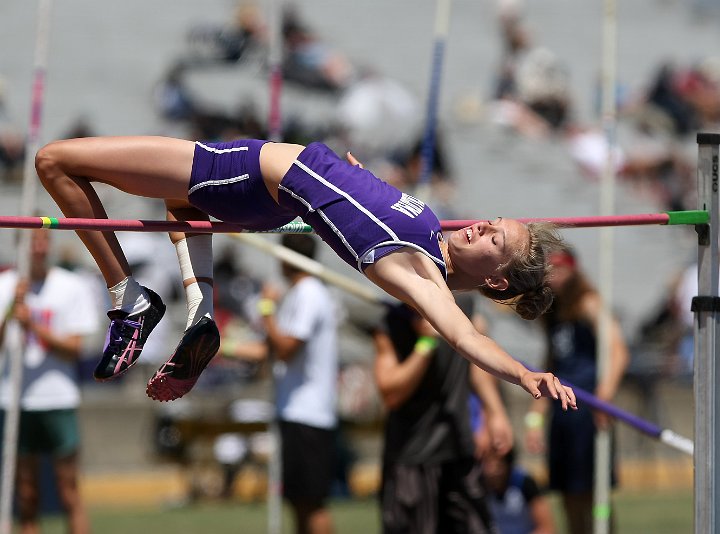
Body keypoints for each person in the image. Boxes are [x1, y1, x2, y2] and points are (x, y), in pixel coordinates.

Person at [34, 135, 577, 409]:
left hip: (247, 171)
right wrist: (356, 178)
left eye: (494, 239)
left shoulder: (422, 274)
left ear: (496, 280)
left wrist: (524, 374)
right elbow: (363, 206)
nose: (480, 226)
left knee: (54, 161)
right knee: (182, 206)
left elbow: (461, 335)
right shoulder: (431, 227)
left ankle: (129, 298)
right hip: (278, 192)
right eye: (491, 222)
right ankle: (200, 309)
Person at [373, 293, 513, 533]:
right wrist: (425, 344)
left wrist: (494, 413)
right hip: (412, 457)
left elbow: (478, 366)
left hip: (459, 450)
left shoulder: (463, 308)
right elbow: (390, 393)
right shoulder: (391, 322)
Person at [0, 228, 100, 534]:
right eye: (32, 242)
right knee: (26, 494)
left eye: (43, 241)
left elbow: (75, 349)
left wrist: (33, 326)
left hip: (58, 398)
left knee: (69, 489)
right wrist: (9, 312)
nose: (39, 248)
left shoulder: (70, 286)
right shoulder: (5, 286)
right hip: (14, 399)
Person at [523, 246, 629, 534]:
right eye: (550, 269)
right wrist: (535, 419)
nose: (554, 275)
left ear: (573, 269)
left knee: (595, 492)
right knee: (567, 493)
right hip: (562, 413)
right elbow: (549, 369)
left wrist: (604, 397)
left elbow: (617, 351)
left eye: (560, 268)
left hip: (588, 411)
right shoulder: (552, 314)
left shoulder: (587, 302)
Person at [255, 233, 339, 534]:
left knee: (311, 502)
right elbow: (275, 348)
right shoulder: (301, 293)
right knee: (299, 501)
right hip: (296, 410)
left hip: (308, 411)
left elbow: (287, 348)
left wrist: (266, 310)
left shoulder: (309, 293)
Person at [482, 447, 556, 534]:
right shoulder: (480, 487)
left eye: (498, 464)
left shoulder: (524, 483)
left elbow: (547, 529)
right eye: (488, 464)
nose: (492, 471)